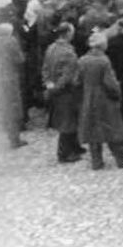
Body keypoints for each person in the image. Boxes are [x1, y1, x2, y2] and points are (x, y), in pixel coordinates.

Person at [77, 30, 123, 171]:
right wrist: (118, 92)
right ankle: (122, 159)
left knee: (93, 130)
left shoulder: (82, 60)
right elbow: (110, 83)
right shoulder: (104, 61)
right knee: (113, 129)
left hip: (88, 97)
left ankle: (96, 161)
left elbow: (77, 80)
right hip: (104, 98)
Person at [42, 23, 83, 163]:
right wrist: (57, 88)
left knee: (67, 118)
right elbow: (67, 76)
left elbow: (45, 68)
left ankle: (75, 146)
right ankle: (64, 153)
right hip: (67, 91)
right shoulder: (69, 52)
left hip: (54, 88)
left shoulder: (51, 48)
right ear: (68, 34)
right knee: (68, 121)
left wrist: (48, 84)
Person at [0, 23, 26, 149]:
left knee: (1, 106)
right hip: (9, 77)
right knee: (13, 107)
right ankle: (14, 138)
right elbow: (19, 59)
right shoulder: (11, 41)